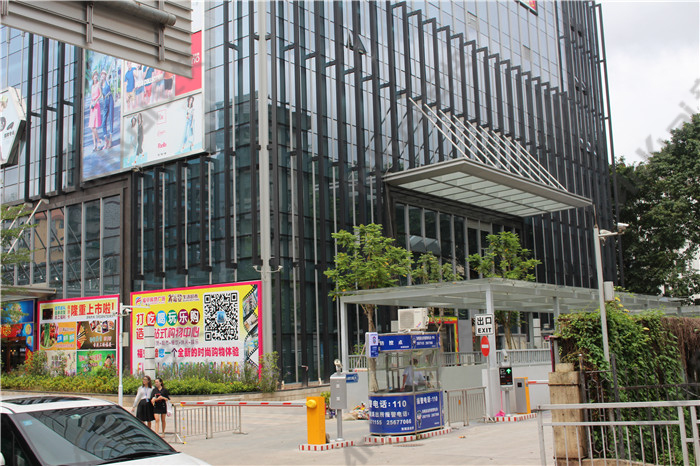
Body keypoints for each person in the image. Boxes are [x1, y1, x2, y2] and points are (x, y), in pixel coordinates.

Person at [88, 71, 102, 152]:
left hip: (96, 105)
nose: (96, 77)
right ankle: (95, 144)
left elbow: (100, 94)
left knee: (94, 126)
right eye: (94, 76)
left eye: (97, 76)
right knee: (91, 126)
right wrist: (91, 104)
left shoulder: (98, 84)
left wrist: (96, 101)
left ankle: (98, 140)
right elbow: (91, 97)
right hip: (92, 105)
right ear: (93, 77)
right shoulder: (92, 86)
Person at [100, 71, 114, 149]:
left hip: (110, 98)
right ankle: (106, 140)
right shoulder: (101, 85)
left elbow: (109, 71)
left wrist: (107, 74)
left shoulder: (107, 81)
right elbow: (101, 95)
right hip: (105, 100)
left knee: (111, 119)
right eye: (102, 74)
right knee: (103, 121)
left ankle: (110, 140)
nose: (103, 76)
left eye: (104, 74)